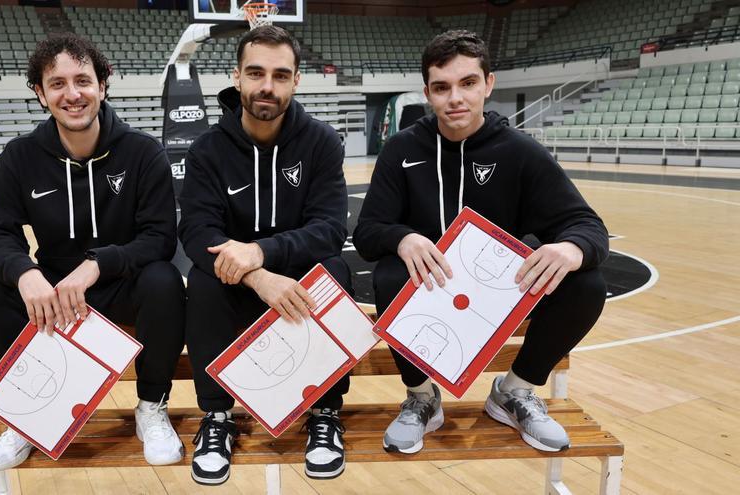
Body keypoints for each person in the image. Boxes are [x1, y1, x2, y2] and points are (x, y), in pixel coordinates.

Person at [354, 30, 609, 455]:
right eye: (442, 87)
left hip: (497, 291)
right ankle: (421, 397)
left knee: (586, 282)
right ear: (427, 93)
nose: (455, 98)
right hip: (430, 290)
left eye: (468, 83)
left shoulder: (521, 152)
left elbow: (587, 225)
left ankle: (515, 390)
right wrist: (402, 237)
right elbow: (367, 232)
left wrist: (571, 248)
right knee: (389, 274)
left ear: (488, 84)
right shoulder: (401, 149)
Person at [0, 33, 186, 470]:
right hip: (52, 293)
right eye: (58, 84)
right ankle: (26, 417)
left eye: (83, 80)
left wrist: (97, 265)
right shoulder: (19, 157)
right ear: (40, 92)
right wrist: (26, 273)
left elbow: (160, 237)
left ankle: (151, 408)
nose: (73, 94)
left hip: (119, 283)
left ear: (103, 84)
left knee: (164, 281)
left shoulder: (142, 153)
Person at [178, 25, 351, 485]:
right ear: (237, 77)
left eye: (280, 75)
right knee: (202, 279)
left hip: (298, 287)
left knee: (334, 269)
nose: (267, 87)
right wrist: (256, 275)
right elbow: (196, 231)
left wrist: (260, 252)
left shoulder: (320, 143)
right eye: (256, 73)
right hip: (238, 285)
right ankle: (217, 417)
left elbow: (331, 229)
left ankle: (325, 410)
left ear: (296, 81)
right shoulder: (207, 150)